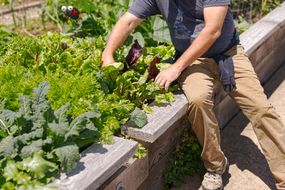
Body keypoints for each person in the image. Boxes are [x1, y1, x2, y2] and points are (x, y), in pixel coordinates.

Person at [101, 0, 285, 189]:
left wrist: (176, 67)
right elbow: (128, 22)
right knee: (197, 100)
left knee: (261, 108)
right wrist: (108, 54)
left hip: (228, 53)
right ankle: (215, 166)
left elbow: (213, 30)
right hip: (192, 61)